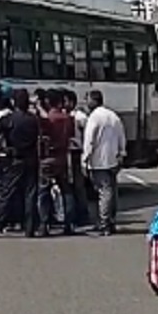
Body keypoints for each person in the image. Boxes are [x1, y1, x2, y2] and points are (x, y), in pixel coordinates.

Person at [0, 89, 40, 237]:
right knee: (30, 194)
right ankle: (30, 228)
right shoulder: (33, 119)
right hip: (31, 158)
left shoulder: (10, 118)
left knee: (6, 193)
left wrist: (3, 147)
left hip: (14, 158)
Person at [82, 90, 126, 236]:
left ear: (94, 101)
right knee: (112, 191)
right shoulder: (113, 116)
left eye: (87, 99)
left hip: (99, 161)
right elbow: (122, 137)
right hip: (113, 159)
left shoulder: (94, 118)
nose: (86, 103)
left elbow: (89, 141)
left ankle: (104, 223)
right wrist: (121, 153)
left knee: (104, 192)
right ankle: (111, 221)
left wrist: (85, 159)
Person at [38, 89, 75, 236]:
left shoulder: (48, 118)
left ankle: (44, 224)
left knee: (43, 192)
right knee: (66, 191)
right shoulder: (67, 118)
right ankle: (69, 223)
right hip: (62, 157)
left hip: (47, 158)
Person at [63, 90, 90, 226]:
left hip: (76, 153)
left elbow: (87, 136)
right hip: (66, 153)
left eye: (66, 101)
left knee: (78, 186)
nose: (64, 104)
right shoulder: (64, 116)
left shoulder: (80, 117)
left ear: (72, 102)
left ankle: (82, 214)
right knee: (69, 185)